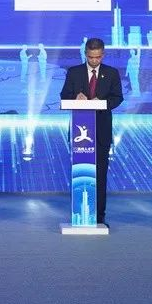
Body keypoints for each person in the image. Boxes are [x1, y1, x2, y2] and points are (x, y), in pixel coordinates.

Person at [59, 37, 123, 226]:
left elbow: (117, 98)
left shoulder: (111, 73)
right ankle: (79, 214)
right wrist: (75, 96)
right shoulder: (74, 72)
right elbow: (64, 96)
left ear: (103, 55)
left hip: (102, 130)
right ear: (85, 54)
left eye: (97, 57)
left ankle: (99, 217)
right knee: (80, 173)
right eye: (90, 57)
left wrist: (101, 103)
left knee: (100, 175)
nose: (94, 61)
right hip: (80, 133)